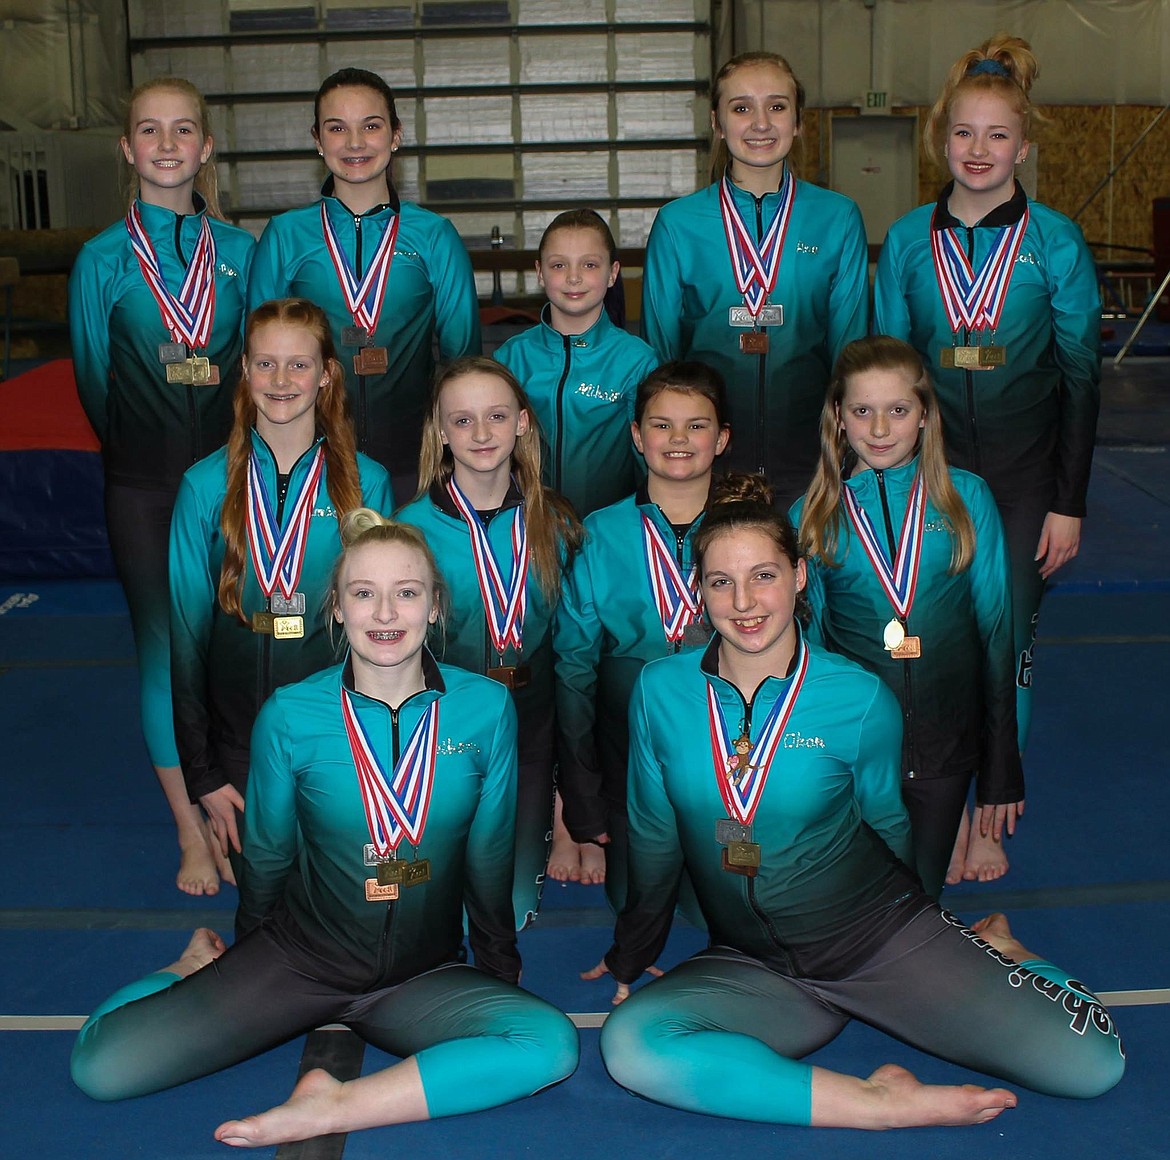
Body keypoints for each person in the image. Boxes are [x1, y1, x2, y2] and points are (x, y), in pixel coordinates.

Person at [585, 474, 1124, 1128]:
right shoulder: (661, 690)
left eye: (763, 575)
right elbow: (652, 833)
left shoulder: (857, 697)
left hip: (876, 944)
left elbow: (889, 827)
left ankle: (1002, 950)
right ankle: (874, 1103)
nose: (744, 601)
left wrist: (925, 939)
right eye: (720, 582)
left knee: (1093, 1067)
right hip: (760, 964)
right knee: (632, 1046)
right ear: (698, 590)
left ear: (800, 577)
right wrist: (633, 950)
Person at [71, 511, 579, 1148]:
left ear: (436, 606)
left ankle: (335, 1105)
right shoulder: (292, 714)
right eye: (364, 594)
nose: (386, 613)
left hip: (416, 977)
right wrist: (243, 973)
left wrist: (498, 971)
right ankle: (188, 966)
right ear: (336, 610)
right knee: (101, 1068)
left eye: (407, 592)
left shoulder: (484, 709)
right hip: (301, 963)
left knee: (551, 1045)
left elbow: (490, 850)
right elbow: (268, 854)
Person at [873, 34, 1100, 777]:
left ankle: (994, 801)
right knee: (911, 635)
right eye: (964, 132)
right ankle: (922, 786)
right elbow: (888, 381)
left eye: (997, 135)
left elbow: (1079, 381)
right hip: (928, 480)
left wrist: (1068, 502)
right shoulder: (907, 242)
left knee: (1006, 642)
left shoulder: (1056, 244)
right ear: (941, 140)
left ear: (1023, 147)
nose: (979, 148)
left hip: (1025, 483)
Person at [68, 76, 256, 896]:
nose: (169, 144)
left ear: (207, 147)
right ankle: (190, 829)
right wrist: (147, 459)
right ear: (128, 148)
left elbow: (264, 371)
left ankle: (243, 813)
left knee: (241, 644)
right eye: (151, 130)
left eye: (185, 129)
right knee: (164, 650)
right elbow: (94, 382)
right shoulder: (103, 260)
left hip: (237, 479)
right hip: (143, 482)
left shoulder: (244, 255)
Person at [169, 298, 393, 888]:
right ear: (244, 370)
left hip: (343, 737)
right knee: (267, 906)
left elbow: (387, 632)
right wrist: (204, 775)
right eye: (266, 364)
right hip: (239, 741)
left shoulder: (367, 483)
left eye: (298, 365)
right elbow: (187, 642)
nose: (281, 381)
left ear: (326, 373)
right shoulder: (202, 487)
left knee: (349, 901)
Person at [792, 336, 1022, 896]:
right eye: (861, 411)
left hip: (948, 747)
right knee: (861, 898)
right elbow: (811, 648)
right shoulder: (814, 516)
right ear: (838, 419)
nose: (878, 429)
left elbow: (996, 635)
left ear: (924, 415)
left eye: (897, 410)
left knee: (918, 899)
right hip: (859, 750)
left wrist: (1000, 765)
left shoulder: (967, 500)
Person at [394, 357, 583, 926]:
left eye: (497, 417)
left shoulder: (558, 522)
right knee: (426, 904)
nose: (481, 434)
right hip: (443, 719)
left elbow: (572, 652)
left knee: (513, 910)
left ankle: (544, 827)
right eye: (463, 420)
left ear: (522, 423)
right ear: (440, 430)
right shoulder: (410, 529)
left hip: (530, 716)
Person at [641, 51, 868, 506]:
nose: (761, 123)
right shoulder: (678, 224)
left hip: (814, 461)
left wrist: (851, 450)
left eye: (777, 107)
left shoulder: (837, 218)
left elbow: (852, 353)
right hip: (707, 465)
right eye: (742, 108)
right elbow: (661, 361)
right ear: (718, 123)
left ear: (798, 121)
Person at [248, 67, 480, 497]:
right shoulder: (286, 235)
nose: (355, 143)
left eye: (371, 126)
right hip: (312, 465)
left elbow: (461, 360)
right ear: (318, 140)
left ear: (395, 135)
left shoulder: (434, 237)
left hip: (416, 463)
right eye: (338, 128)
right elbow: (257, 358)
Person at [554, 360, 729, 902]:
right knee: (634, 901)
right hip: (627, 736)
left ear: (721, 440)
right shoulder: (599, 532)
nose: (678, 439)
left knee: (721, 910)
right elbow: (573, 667)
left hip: (729, 737)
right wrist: (582, 786)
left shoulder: (751, 527)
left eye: (697, 426)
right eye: (661, 425)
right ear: (636, 435)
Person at [494, 207, 659, 518]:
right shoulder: (511, 358)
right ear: (540, 272)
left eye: (589, 264)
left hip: (608, 530)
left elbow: (651, 461)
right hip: (526, 526)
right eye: (558, 265)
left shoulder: (638, 362)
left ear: (612, 273)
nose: (573, 277)